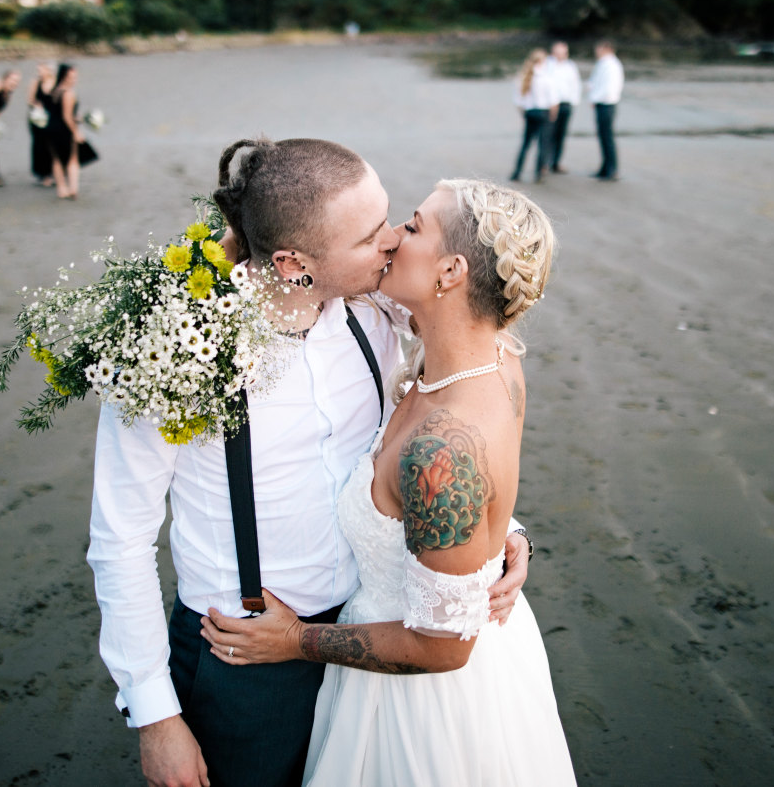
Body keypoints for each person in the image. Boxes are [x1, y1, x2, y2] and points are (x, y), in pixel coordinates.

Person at [87, 138, 532, 787]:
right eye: (369, 236)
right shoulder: (175, 355)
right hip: (243, 660)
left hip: (371, 633)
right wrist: (155, 716)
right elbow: (120, 540)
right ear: (294, 264)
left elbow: (439, 426)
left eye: (390, 218)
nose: (392, 241)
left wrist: (498, 534)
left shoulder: (375, 315)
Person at [204, 179, 574, 787]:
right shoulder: (494, 356)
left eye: (414, 225)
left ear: (451, 271)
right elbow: (488, 491)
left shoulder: (441, 451)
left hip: (421, 707)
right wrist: (507, 537)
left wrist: (296, 640)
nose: (393, 237)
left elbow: (443, 647)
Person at [509, 49, 556, 183]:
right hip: (544, 112)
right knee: (543, 143)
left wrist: (524, 113)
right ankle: (539, 173)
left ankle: (517, 171)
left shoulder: (523, 77)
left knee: (526, 143)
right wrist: (553, 116)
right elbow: (553, 101)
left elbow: (518, 102)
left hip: (530, 112)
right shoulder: (546, 78)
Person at [541, 41, 582, 174]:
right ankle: (544, 163)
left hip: (566, 103)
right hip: (551, 105)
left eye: (563, 53)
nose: (560, 55)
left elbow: (576, 85)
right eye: (558, 53)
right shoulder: (546, 64)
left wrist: (574, 102)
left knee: (561, 134)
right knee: (548, 134)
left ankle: (556, 162)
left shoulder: (570, 66)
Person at [45, 63, 81, 200]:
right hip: (63, 129)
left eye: (75, 77)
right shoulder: (68, 93)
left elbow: (56, 111)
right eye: (71, 77)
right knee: (72, 159)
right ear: (64, 77)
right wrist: (76, 132)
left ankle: (61, 188)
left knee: (57, 159)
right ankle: (73, 188)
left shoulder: (55, 91)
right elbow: (67, 116)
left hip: (50, 127)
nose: (74, 80)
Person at [589, 39, 623, 181]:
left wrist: (595, 98)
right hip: (601, 103)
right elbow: (595, 82)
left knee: (607, 137)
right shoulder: (603, 63)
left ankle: (612, 170)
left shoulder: (612, 65)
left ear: (606, 49)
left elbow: (609, 88)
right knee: (602, 136)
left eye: (598, 48)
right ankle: (604, 168)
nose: (596, 51)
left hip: (607, 104)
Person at [27, 62, 58, 187]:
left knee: (53, 144)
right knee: (40, 145)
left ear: (48, 69)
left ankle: (55, 172)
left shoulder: (56, 82)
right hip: (38, 118)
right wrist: (36, 106)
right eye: (38, 69)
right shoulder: (35, 82)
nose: (39, 71)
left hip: (53, 118)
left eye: (41, 69)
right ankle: (43, 174)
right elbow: (30, 101)